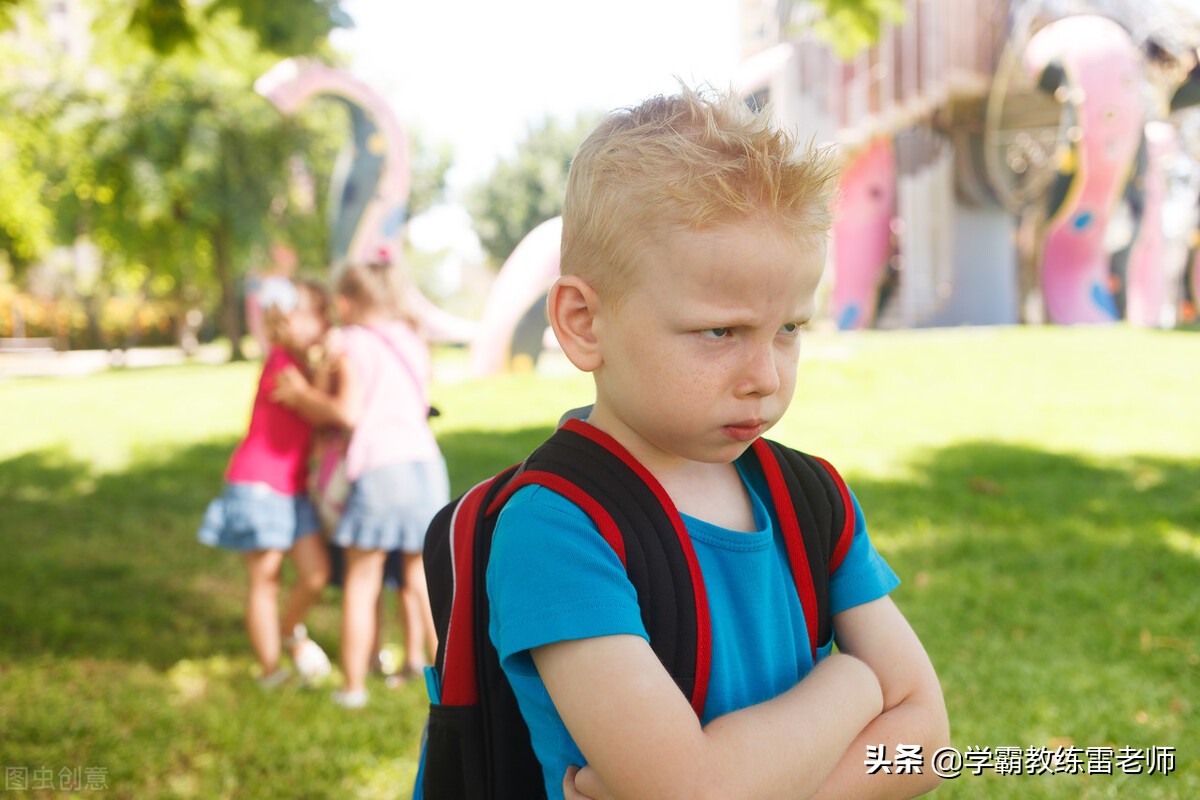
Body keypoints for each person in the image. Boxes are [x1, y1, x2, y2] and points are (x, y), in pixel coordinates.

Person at [485, 85, 950, 799]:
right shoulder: (558, 527)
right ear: (583, 322)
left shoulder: (809, 497)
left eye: (789, 329)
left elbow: (925, 739)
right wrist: (856, 681)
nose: (764, 377)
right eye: (719, 332)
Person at [273, 260, 447, 709]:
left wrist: (306, 395)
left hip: (380, 469)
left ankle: (352, 687)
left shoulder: (350, 342)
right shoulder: (412, 339)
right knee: (422, 577)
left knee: (363, 577)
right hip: (426, 466)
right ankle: (449, 683)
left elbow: (347, 412)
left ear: (346, 303)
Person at [197, 278, 333, 688]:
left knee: (315, 574)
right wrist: (328, 368)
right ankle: (271, 671)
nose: (326, 323)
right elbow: (320, 412)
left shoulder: (300, 365)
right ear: (289, 320)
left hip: (291, 489)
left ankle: (290, 632)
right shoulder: (282, 366)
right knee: (266, 578)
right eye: (317, 314)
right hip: (259, 485)